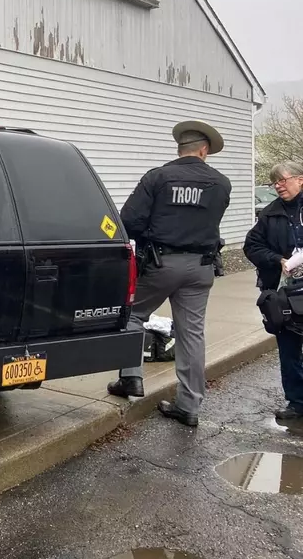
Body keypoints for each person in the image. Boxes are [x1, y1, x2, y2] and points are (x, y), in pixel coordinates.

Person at [106, 120, 232, 427]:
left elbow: (129, 220)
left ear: (181, 149)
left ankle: (131, 379)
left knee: (133, 315)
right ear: (204, 150)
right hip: (201, 267)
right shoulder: (222, 183)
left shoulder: (158, 177)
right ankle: (188, 406)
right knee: (192, 333)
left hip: (161, 264)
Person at [243, 161, 303, 421]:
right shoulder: (269, 214)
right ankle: (297, 402)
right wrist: (277, 259)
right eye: (274, 182)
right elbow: (252, 247)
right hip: (284, 293)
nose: (279, 186)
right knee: (288, 348)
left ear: (300, 180)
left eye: (283, 180)